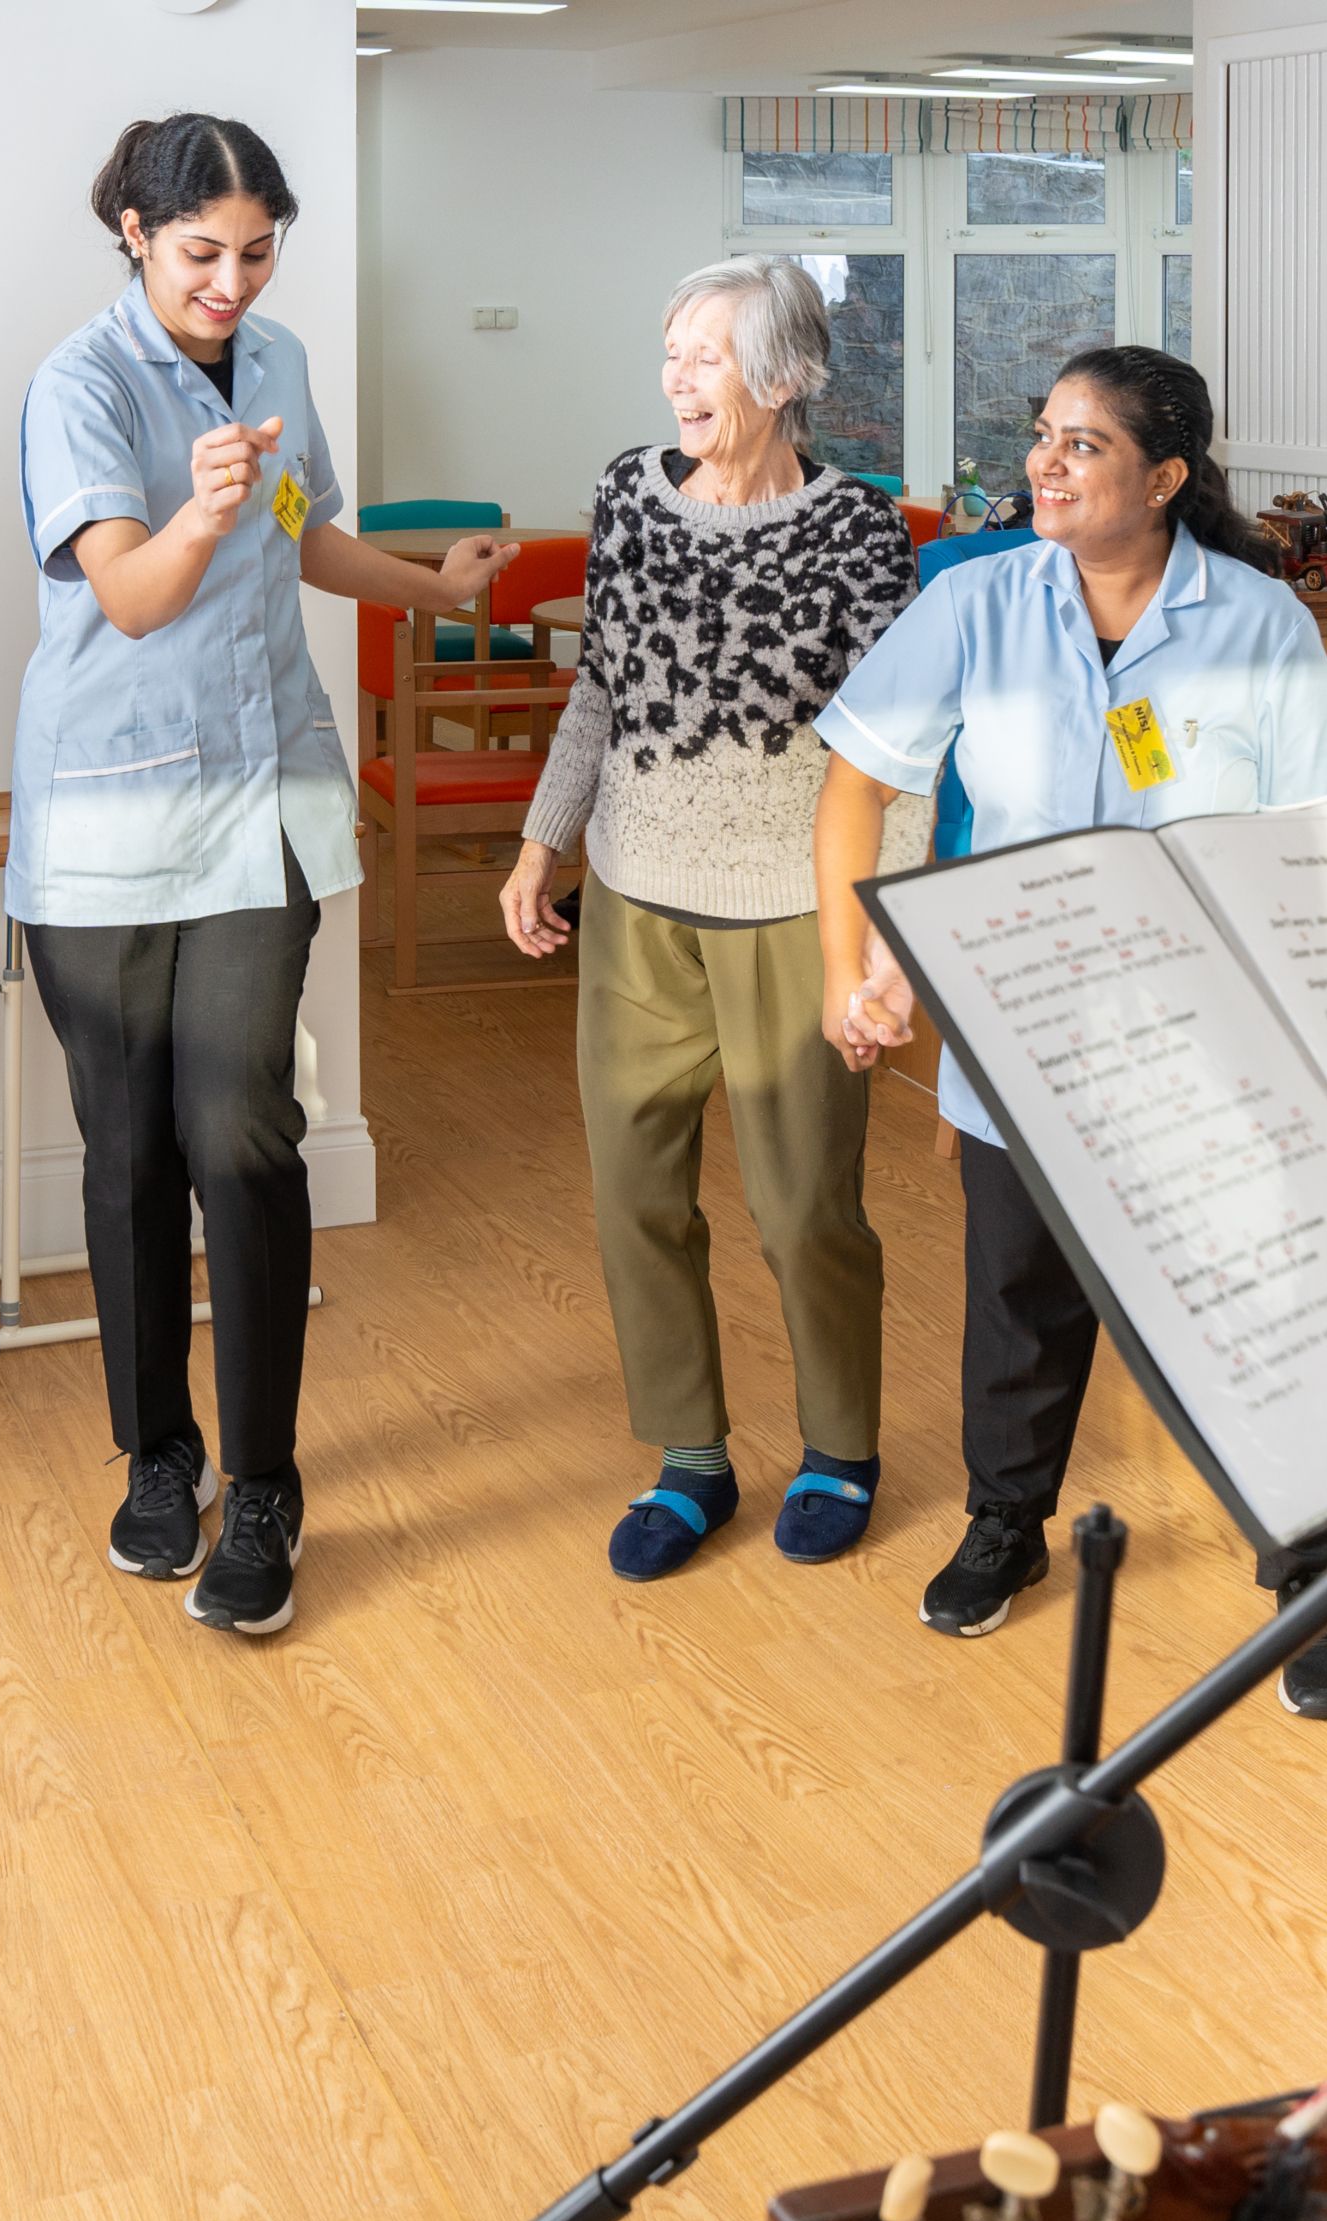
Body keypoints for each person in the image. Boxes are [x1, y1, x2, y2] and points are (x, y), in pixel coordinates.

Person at [14, 113, 515, 1636]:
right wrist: (200, 509)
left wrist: (425, 586)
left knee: (241, 1130)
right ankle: (156, 1461)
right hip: (107, 810)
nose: (231, 281)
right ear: (130, 233)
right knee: (127, 1155)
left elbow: (306, 539)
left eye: (255, 250)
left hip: (263, 795)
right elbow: (134, 593)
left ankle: (270, 1480)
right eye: (199, 254)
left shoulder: (281, 363)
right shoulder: (78, 384)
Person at [814, 343, 1327, 1718]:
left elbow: (1314, 846)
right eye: (1040, 436)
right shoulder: (975, 603)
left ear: (1164, 477)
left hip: (1206, 1038)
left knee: (1251, 1305)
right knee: (1017, 1292)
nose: (1042, 465)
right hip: (1019, 1025)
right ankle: (1006, 1520)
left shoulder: (1258, 623)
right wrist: (853, 967)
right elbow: (854, 781)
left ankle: (1307, 1565)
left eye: (1081, 446)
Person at [496, 256, 924, 1585]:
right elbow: (598, 688)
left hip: (790, 911)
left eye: (706, 354)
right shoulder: (629, 492)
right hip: (635, 900)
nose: (675, 377)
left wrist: (876, 946)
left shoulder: (856, 527)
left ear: (785, 377)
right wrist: (539, 841)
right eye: (668, 350)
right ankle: (686, 1456)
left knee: (804, 1209)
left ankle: (839, 1448)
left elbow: (895, 747)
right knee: (636, 1193)